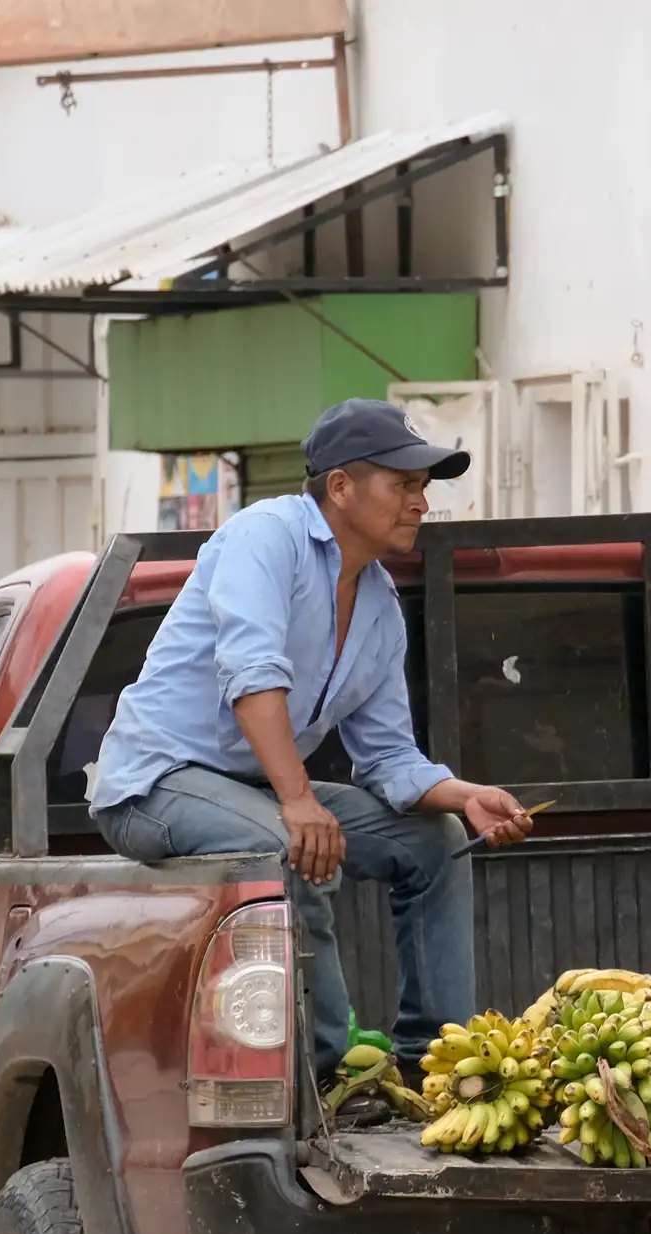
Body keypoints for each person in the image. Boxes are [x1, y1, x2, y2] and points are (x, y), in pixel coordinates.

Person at [91, 399, 533, 1082]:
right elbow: (251, 675)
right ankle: (322, 1078)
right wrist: (297, 799)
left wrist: (465, 795)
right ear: (340, 487)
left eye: (423, 489)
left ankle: (434, 1064)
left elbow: (387, 760)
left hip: (252, 788)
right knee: (288, 843)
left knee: (435, 840)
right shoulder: (264, 536)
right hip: (154, 783)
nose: (420, 503)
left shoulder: (381, 606)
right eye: (403, 485)